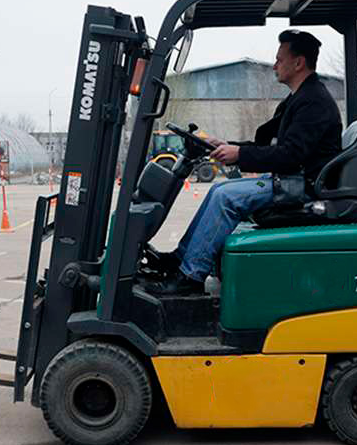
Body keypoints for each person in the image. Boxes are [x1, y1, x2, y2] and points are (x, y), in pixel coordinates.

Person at [146, 29, 343, 295]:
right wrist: (227, 145)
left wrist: (239, 155)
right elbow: (269, 146)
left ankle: (190, 275)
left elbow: (291, 155)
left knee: (226, 197)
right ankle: (181, 259)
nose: (275, 65)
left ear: (299, 63)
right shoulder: (299, 99)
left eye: (280, 59)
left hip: (302, 186)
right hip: (294, 179)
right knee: (218, 190)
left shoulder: (314, 102)